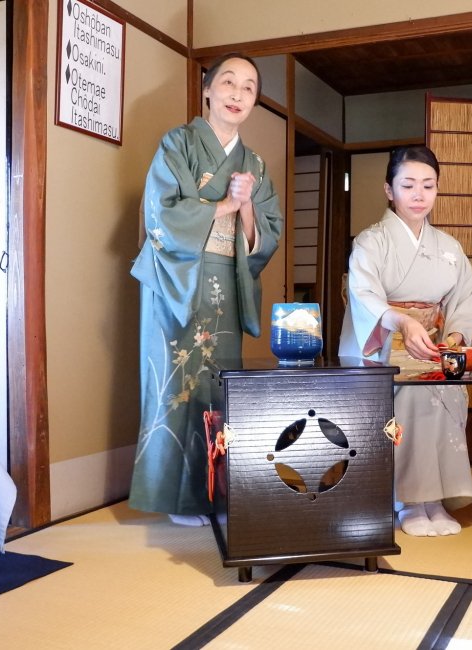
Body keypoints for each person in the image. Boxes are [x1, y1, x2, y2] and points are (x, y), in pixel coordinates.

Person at [129, 54, 283, 526]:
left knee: (220, 386)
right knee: (177, 385)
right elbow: (161, 213)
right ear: (208, 91)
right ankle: (176, 497)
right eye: (229, 83)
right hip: (179, 279)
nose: (238, 94)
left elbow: (267, 234)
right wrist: (223, 205)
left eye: (250, 88)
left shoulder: (253, 162)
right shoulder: (178, 143)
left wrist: (249, 211)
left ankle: (214, 492)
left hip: (226, 281)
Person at [339, 145, 472, 537]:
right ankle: (407, 500)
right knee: (412, 393)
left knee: (446, 389)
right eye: (408, 185)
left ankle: (436, 499)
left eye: (428, 185)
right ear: (389, 190)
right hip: (383, 346)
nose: (419, 195)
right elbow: (364, 295)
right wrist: (401, 321)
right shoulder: (371, 241)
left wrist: (453, 336)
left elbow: (465, 297)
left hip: (432, 347)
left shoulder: (449, 248)